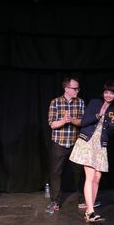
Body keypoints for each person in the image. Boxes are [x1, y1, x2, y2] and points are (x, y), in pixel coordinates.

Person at [70, 81, 114, 222]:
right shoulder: (94, 103)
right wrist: (99, 115)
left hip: (101, 145)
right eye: (106, 92)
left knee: (97, 178)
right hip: (87, 142)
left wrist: (113, 122)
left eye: (111, 93)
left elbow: (111, 133)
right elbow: (84, 121)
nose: (108, 95)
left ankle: (88, 212)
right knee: (90, 177)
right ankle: (91, 211)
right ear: (103, 93)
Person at [46, 77, 90, 214]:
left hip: (76, 142)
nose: (77, 90)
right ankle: (55, 201)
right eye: (75, 88)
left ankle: (82, 199)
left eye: (78, 88)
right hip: (59, 142)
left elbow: (83, 122)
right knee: (56, 172)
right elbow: (52, 124)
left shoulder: (81, 102)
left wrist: (72, 120)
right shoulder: (55, 102)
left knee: (79, 172)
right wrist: (64, 121)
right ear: (67, 89)